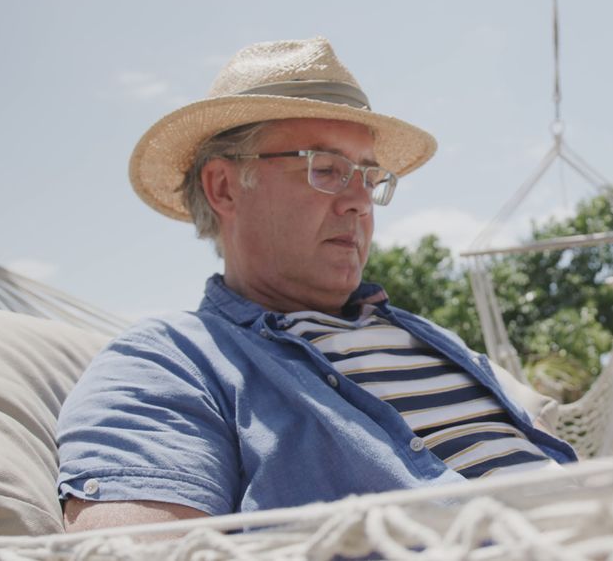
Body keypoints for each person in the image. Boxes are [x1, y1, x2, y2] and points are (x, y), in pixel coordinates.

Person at [56, 37, 578, 531]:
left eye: (370, 177)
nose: (360, 201)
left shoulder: (432, 341)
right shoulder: (167, 364)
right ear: (224, 187)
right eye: (326, 168)